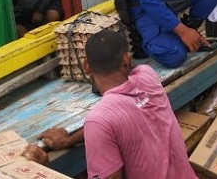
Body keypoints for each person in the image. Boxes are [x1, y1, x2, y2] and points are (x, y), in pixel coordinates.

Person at [22, 29, 197, 179]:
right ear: (127, 60)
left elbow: (107, 123)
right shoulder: (148, 76)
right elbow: (112, 124)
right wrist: (70, 139)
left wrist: (45, 171)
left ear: (86, 66)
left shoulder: (100, 120)